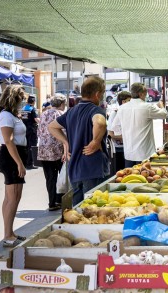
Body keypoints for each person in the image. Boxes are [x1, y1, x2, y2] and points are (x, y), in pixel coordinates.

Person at [49, 75, 110, 205]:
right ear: (98, 94)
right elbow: (100, 123)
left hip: (75, 169)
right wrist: (95, 141)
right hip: (93, 167)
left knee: (78, 209)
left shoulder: (71, 111)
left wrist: (66, 143)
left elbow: (52, 126)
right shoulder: (96, 109)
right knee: (93, 207)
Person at [0, 86, 31, 246]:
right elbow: (8, 140)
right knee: (13, 197)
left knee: (11, 198)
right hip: (11, 158)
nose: (23, 102)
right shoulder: (6, 116)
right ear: (14, 98)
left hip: (13, 156)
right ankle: (8, 235)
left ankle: (9, 232)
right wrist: (19, 164)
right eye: (21, 99)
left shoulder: (10, 115)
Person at [115, 82, 168, 167]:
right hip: (145, 154)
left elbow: (116, 128)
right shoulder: (147, 107)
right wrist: (161, 105)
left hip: (129, 153)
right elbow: (164, 114)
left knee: (129, 177)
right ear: (141, 94)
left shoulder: (122, 108)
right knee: (145, 177)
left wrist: (126, 135)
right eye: (145, 94)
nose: (146, 96)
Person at [37, 94, 67, 211]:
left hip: (44, 149)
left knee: (50, 177)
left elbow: (39, 132)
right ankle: (60, 200)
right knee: (63, 176)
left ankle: (52, 202)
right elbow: (65, 133)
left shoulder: (43, 114)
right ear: (61, 104)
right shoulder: (60, 114)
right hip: (58, 149)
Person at [107, 90, 131, 172]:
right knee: (119, 172)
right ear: (123, 102)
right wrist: (126, 137)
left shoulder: (129, 113)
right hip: (118, 150)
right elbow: (110, 134)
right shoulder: (115, 113)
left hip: (129, 148)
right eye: (129, 101)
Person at [22, 96, 39, 169]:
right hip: (32, 129)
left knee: (26, 146)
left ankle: (25, 162)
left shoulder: (23, 108)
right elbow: (36, 119)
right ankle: (30, 163)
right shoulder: (32, 109)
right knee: (32, 146)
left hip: (25, 129)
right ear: (33, 102)